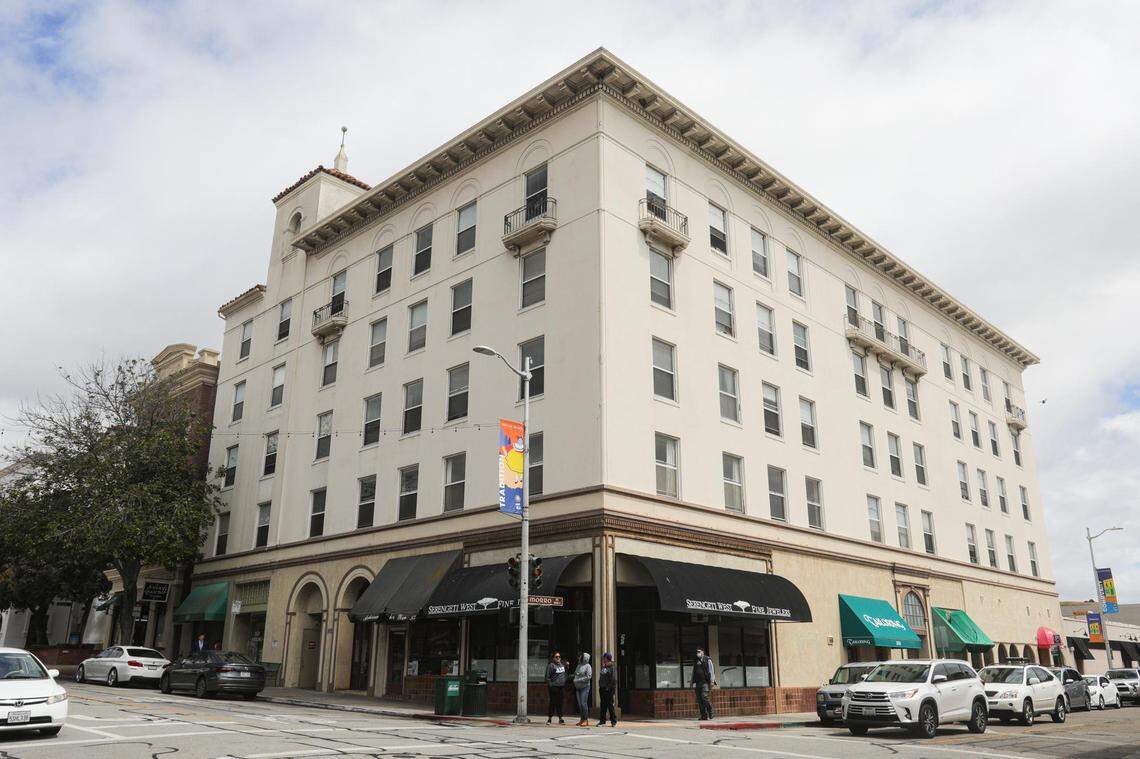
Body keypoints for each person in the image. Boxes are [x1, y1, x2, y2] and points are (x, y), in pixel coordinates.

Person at [692, 647, 716, 720]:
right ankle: (703, 715)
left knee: (704, 697)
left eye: (699, 652)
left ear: (703, 652)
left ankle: (710, 710)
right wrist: (692, 682)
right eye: (697, 652)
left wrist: (712, 681)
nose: (698, 653)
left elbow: (711, 670)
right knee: (699, 700)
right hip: (697, 682)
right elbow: (694, 672)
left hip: (705, 682)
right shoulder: (696, 660)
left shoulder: (707, 659)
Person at [545, 652, 567, 724]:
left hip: (561, 687)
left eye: (559, 657)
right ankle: (549, 718)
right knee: (553, 702)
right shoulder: (551, 665)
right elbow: (547, 677)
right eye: (556, 657)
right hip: (554, 687)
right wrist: (551, 685)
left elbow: (565, 674)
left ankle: (560, 718)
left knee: (560, 703)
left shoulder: (562, 665)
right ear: (553, 658)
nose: (558, 658)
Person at [596, 652, 617, 727]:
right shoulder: (604, 667)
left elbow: (613, 679)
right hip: (602, 688)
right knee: (603, 705)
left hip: (608, 689)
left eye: (604, 658)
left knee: (610, 705)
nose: (603, 659)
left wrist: (609, 687)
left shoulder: (612, 667)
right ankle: (602, 721)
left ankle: (613, 721)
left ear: (607, 658)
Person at [573, 652, 593, 726]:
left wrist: (578, 680)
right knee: (580, 704)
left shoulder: (588, 666)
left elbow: (588, 677)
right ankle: (581, 719)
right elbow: (576, 674)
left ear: (584, 658)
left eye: (580, 657)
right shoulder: (578, 666)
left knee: (583, 703)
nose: (579, 658)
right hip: (578, 687)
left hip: (585, 687)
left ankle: (586, 719)